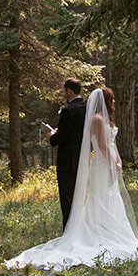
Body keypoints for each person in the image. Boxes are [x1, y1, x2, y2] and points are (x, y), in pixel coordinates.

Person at [6, 86, 138, 272]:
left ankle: (111, 230)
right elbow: (101, 145)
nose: (115, 102)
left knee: (110, 197)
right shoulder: (97, 119)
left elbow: (111, 143)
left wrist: (119, 160)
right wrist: (112, 162)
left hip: (109, 163)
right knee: (100, 199)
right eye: (112, 98)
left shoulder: (105, 119)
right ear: (105, 100)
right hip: (101, 165)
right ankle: (98, 232)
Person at [47, 79, 87, 228]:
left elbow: (60, 138)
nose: (64, 94)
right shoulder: (86, 108)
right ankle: (81, 228)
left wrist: (51, 136)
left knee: (68, 199)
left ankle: (70, 231)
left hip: (67, 162)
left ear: (69, 91)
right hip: (82, 159)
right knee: (80, 198)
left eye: (64, 91)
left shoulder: (68, 110)